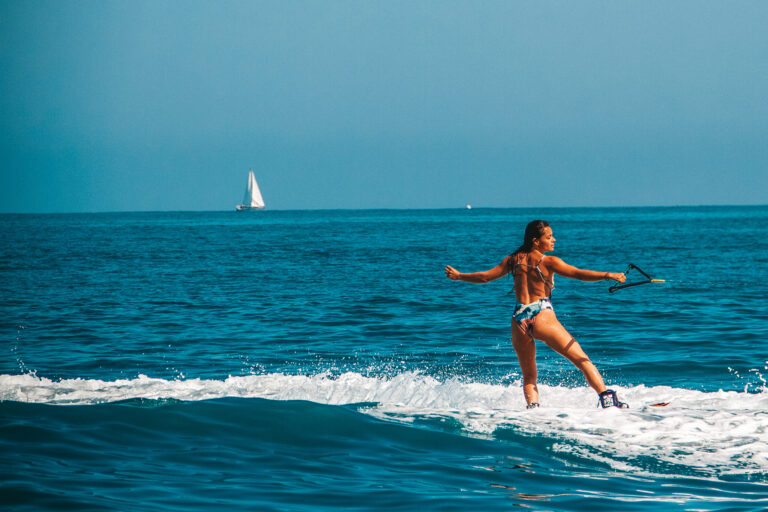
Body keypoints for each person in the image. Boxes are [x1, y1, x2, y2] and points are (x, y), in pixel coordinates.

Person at [445, 220, 629, 409]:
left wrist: (460, 276)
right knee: (582, 360)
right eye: (549, 237)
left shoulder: (512, 260)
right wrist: (608, 275)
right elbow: (578, 274)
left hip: (518, 319)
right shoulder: (548, 261)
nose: (554, 240)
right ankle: (607, 400)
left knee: (529, 376)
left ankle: (534, 408)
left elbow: (485, 277)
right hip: (541, 314)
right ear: (535, 241)